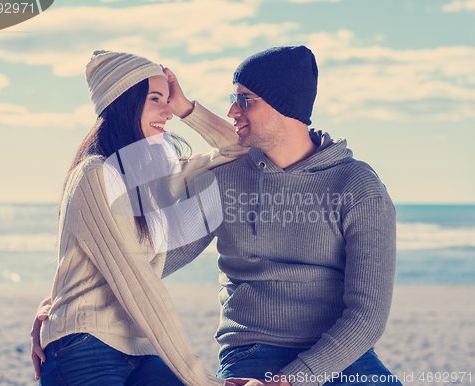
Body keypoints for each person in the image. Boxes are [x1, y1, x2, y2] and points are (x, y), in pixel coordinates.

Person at [161, 46, 402, 386]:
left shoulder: (357, 186)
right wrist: (72, 291)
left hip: (339, 354)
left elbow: (367, 316)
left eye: (246, 100)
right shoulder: (224, 179)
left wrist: (290, 381)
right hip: (252, 351)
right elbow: (158, 259)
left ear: (284, 105)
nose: (232, 110)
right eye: (234, 98)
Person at [31, 49, 248, 386]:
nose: (168, 112)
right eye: (156, 99)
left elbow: (242, 149)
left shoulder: (152, 180)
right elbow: (139, 285)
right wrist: (200, 378)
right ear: (123, 103)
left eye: (167, 100)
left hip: (139, 349)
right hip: (85, 346)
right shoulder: (95, 175)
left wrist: (186, 107)